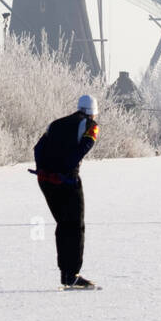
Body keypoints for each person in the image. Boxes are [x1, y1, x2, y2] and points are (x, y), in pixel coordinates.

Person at [31, 94, 101, 290]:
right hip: (66, 180)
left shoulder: (56, 124)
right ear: (92, 112)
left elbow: (38, 148)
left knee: (63, 224)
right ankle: (73, 274)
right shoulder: (90, 125)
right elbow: (84, 147)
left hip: (45, 180)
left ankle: (65, 272)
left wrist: (45, 168)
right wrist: (66, 169)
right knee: (76, 225)